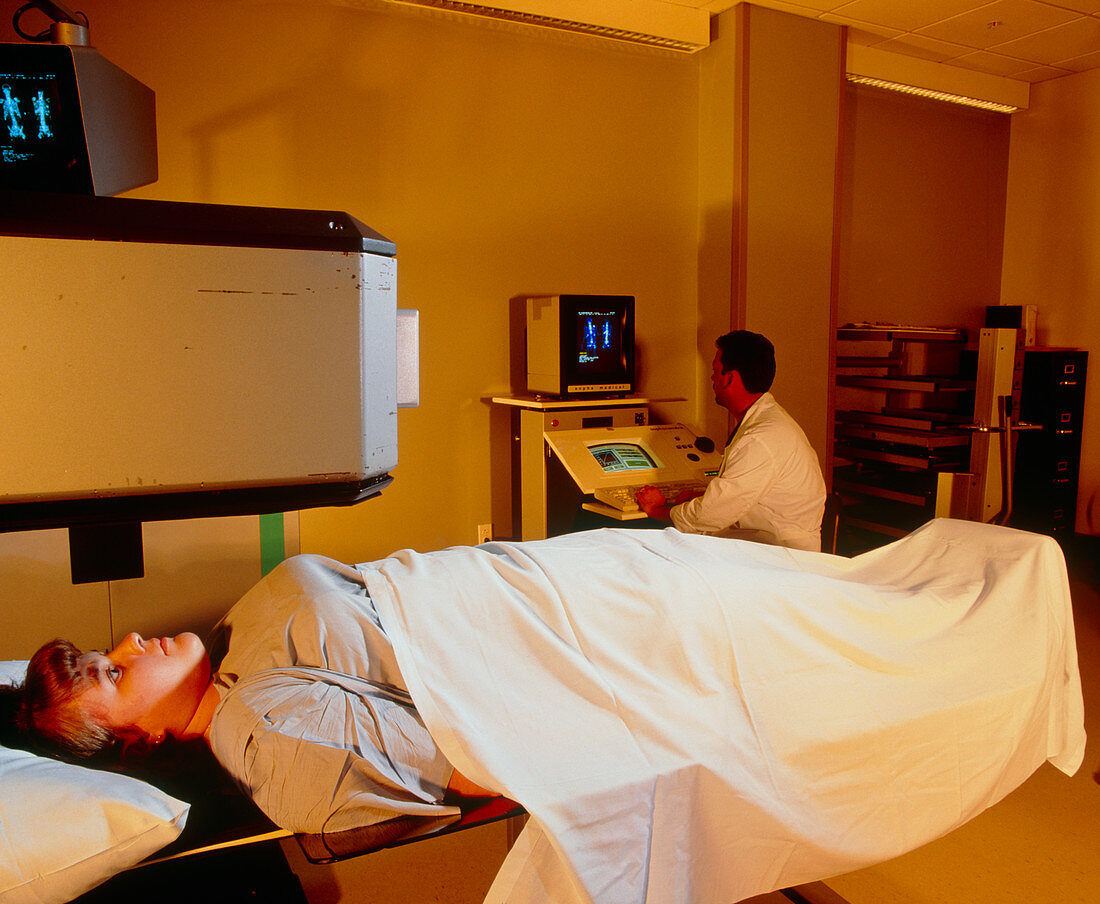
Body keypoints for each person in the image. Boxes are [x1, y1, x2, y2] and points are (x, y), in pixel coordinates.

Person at [1, 554, 494, 835]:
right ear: (142, 742)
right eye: (113, 673)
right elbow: (483, 769)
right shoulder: (268, 735)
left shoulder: (221, 659)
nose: (130, 643)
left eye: (104, 652)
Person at [635, 330, 826, 551]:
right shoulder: (768, 422)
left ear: (730, 378)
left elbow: (711, 515)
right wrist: (700, 496)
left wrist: (658, 510)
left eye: (715, 371)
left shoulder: (760, 438)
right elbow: (744, 495)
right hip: (768, 545)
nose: (712, 378)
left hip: (779, 556)